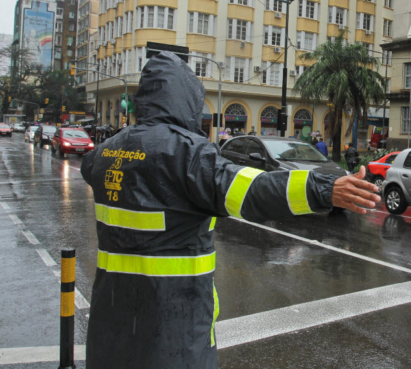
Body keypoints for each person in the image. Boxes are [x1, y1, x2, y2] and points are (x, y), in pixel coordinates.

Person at [80, 52, 380, 369]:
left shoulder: (106, 152)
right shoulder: (185, 153)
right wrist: (325, 189)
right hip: (173, 331)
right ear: (187, 99)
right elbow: (253, 191)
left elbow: (92, 168)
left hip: (110, 328)